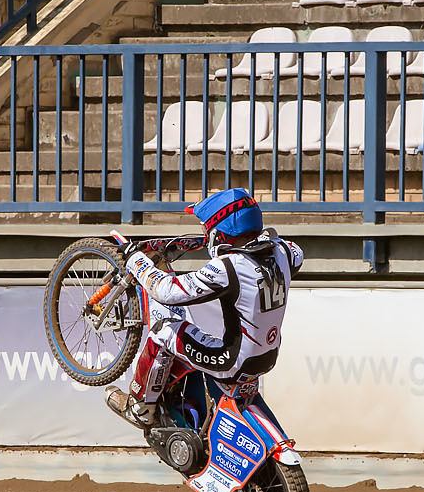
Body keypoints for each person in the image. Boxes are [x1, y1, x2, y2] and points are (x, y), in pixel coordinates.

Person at [105, 187, 307, 447]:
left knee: (164, 330)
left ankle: (141, 407)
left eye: (206, 230)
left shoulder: (227, 267)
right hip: (265, 358)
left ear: (219, 232)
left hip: (230, 361)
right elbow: (288, 256)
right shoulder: (286, 252)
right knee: (206, 329)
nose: (204, 235)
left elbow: (165, 291)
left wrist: (136, 260)